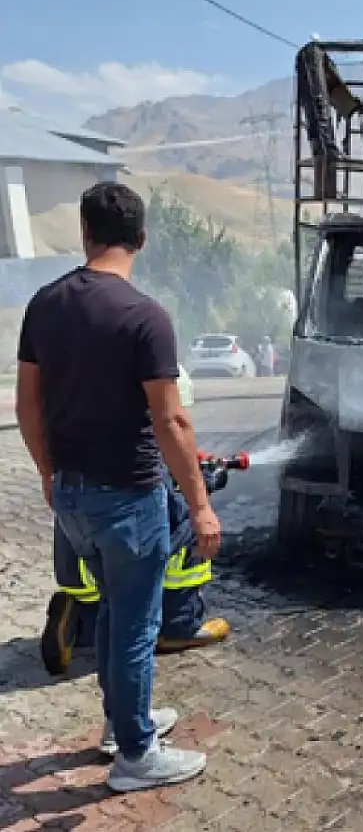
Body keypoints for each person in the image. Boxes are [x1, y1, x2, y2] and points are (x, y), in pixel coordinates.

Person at [14, 181, 222, 793]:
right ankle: (135, 755)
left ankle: (120, 723)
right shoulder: (144, 316)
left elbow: (29, 405)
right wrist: (202, 507)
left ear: (85, 233)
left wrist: (50, 474)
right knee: (134, 625)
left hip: (71, 496)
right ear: (142, 239)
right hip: (129, 499)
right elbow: (170, 420)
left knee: (111, 615)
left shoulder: (45, 304)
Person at [42, 484, 231, 679]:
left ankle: (81, 620)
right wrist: (200, 504)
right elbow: (174, 457)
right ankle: (178, 626)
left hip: (82, 557)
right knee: (187, 523)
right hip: (128, 491)